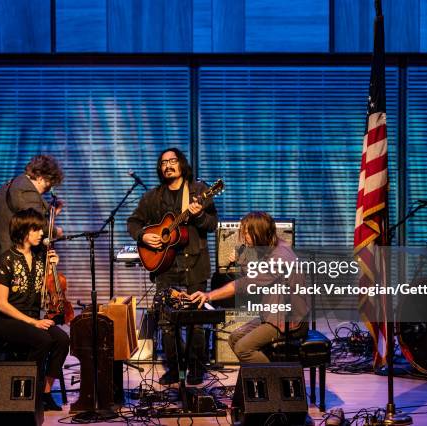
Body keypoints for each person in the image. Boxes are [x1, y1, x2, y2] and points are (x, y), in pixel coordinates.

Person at [127, 148, 218, 385]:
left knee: (196, 320)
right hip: (164, 268)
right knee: (167, 322)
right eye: (163, 162)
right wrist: (143, 237)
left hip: (195, 264)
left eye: (172, 161)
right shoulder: (153, 197)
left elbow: (212, 225)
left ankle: (197, 368)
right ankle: (175, 367)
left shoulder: (199, 191)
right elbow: (133, 222)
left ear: (182, 164)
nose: (168, 165)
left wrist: (197, 216)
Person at [189, 211, 308, 363]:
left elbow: (244, 284)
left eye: (247, 233)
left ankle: (274, 380)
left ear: (260, 233)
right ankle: (253, 383)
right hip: (271, 314)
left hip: (288, 322)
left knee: (243, 348)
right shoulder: (269, 247)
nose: (244, 237)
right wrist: (241, 258)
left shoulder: (280, 257)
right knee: (234, 338)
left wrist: (209, 295)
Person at [0, 208, 70, 411]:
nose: (41, 234)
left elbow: (47, 290)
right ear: (23, 231)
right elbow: (1, 304)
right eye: (36, 229)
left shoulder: (40, 257)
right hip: (8, 322)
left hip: (34, 319)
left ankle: (44, 393)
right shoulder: (6, 260)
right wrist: (33, 322)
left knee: (62, 339)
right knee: (43, 339)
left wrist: (54, 268)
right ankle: (27, 390)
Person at [0, 155, 64, 271]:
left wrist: (51, 213)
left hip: (5, 255)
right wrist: (55, 231)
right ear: (40, 178)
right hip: (17, 259)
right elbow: (34, 225)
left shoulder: (10, 185)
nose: (49, 189)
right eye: (49, 184)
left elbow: (20, 217)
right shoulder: (27, 191)